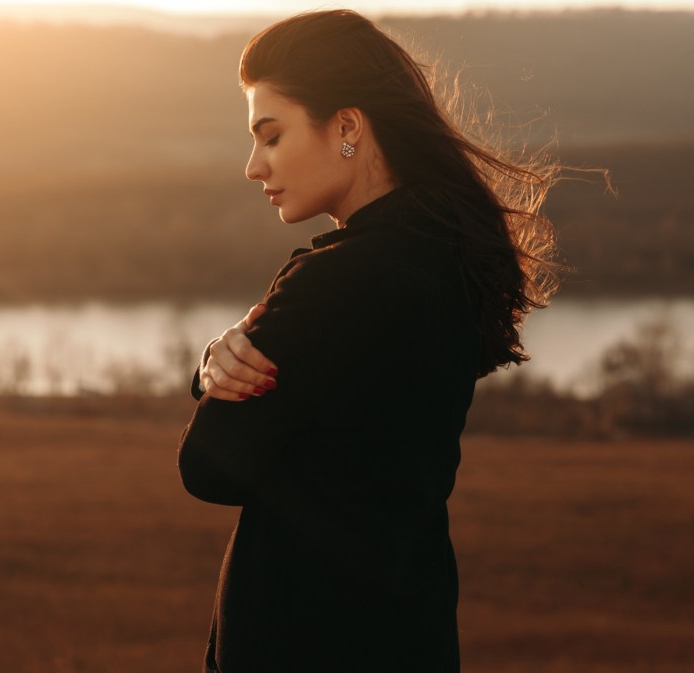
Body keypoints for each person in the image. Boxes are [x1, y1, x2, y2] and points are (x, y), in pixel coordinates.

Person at [177, 10, 559, 673]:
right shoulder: (449, 259)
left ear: (348, 127)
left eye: (271, 136)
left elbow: (208, 465)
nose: (252, 166)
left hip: (302, 642)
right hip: (413, 631)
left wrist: (214, 366)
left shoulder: (333, 280)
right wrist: (219, 357)